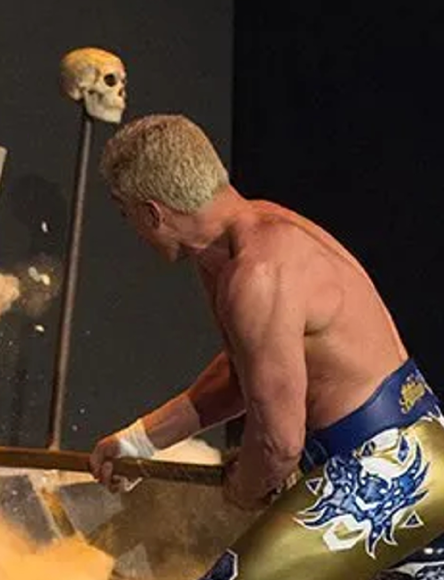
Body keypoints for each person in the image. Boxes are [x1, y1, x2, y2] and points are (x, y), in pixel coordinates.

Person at [88, 114, 444, 579]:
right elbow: (244, 374)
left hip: (390, 465)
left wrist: (245, 486)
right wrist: (138, 441)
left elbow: (279, 445)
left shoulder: (257, 274)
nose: (133, 231)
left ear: (153, 213)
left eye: (127, 214)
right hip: (404, 450)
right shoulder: (233, 249)